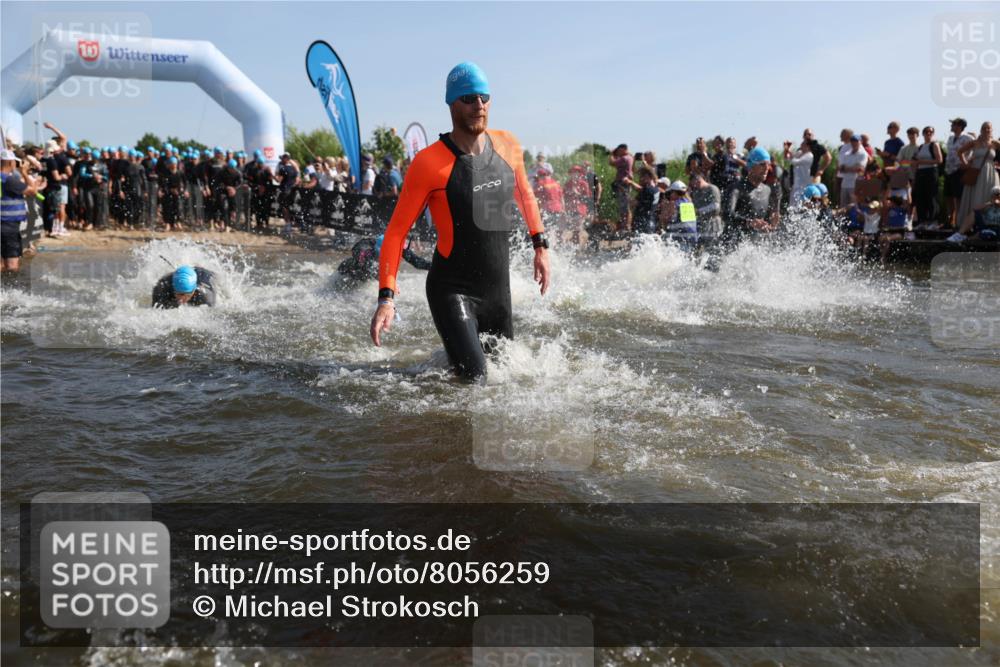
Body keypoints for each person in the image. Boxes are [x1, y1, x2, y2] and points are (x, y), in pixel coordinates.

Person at [370, 61, 550, 381]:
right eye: (468, 99)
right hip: (452, 290)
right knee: (475, 379)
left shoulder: (508, 145)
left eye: (484, 97)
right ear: (451, 104)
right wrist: (387, 297)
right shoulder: (428, 163)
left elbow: (525, 195)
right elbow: (396, 234)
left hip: (498, 293)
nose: (478, 106)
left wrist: (540, 245)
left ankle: (436, 368)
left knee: (505, 377)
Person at [951, 121, 1000, 243]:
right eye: (984, 128)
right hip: (976, 173)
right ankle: (969, 226)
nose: (986, 130)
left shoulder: (995, 144)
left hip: (991, 174)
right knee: (975, 198)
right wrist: (966, 164)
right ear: (981, 129)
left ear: (992, 130)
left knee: (989, 197)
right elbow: (960, 152)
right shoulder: (975, 142)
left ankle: (986, 225)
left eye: (989, 128)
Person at [721, 147, 778, 247]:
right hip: (731, 248)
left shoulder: (767, 190)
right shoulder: (736, 188)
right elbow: (727, 214)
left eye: (768, 164)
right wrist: (749, 222)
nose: (766, 168)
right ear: (751, 166)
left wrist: (772, 221)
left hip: (753, 248)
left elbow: (768, 219)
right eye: (762, 164)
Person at [1, 149, 45, 273]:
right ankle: (9, 291)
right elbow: (33, 191)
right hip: (8, 226)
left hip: (4, 224)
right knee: (12, 265)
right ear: (11, 163)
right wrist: (24, 172)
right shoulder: (9, 180)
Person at [338, 233, 431, 285]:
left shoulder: (399, 247)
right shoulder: (366, 246)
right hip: (346, 274)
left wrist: (437, 267)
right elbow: (366, 263)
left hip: (365, 278)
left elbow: (417, 262)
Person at [944, 118, 975, 229]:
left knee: (958, 197)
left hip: (959, 171)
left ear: (960, 126)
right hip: (948, 171)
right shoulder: (950, 138)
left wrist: (968, 163)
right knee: (948, 196)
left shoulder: (968, 137)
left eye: (954, 124)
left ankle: (959, 221)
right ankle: (949, 221)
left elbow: (977, 150)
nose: (951, 126)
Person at [912, 126, 942, 227]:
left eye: (930, 132)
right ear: (923, 134)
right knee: (920, 197)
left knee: (931, 196)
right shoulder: (920, 147)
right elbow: (915, 161)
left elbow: (939, 160)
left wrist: (922, 161)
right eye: (926, 132)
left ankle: (933, 220)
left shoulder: (934, 145)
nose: (928, 134)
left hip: (931, 172)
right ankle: (922, 220)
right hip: (920, 172)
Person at [151, 264, 216, 308]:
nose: (181, 299)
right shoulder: (162, 288)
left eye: (187, 295)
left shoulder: (205, 297)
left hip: (203, 274)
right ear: (174, 289)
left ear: (193, 290)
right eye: (179, 294)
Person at [661, 180, 698, 250]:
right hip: (690, 240)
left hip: (679, 241)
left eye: (671, 192)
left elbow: (664, 220)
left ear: (674, 192)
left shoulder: (674, 204)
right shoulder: (690, 204)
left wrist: (664, 207)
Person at [622, 168, 658, 235]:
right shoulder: (656, 189)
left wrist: (626, 195)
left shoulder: (646, 190)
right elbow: (640, 189)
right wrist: (631, 183)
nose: (640, 179)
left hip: (641, 224)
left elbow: (633, 203)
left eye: (642, 176)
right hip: (651, 222)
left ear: (647, 176)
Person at [879, 195, 913, 264]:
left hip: (899, 232)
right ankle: (883, 252)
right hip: (890, 230)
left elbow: (909, 205)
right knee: (881, 238)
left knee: (888, 239)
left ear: (894, 202)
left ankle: (883, 257)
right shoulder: (889, 209)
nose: (889, 203)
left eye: (890, 202)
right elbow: (883, 203)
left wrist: (908, 190)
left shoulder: (902, 210)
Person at [689, 172, 723, 242]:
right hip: (702, 226)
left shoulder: (712, 188)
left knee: (713, 248)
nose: (694, 186)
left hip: (714, 225)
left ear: (698, 180)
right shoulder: (696, 192)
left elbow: (716, 207)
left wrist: (698, 211)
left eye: (694, 184)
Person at [837, 134, 868, 206]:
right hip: (844, 184)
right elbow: (841, 168)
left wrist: (847, 168)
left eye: (856, 141)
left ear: (860, 142)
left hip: (855, 184)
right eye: (852, 141)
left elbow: (860, 169)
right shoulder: (846, 154)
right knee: (843, 205)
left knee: (853, 206)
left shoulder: (863, 154)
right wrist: (853, 168)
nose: (854, 143)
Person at [609, 143, 634, 232]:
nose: (618, 153)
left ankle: (625, 226)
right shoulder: (630, 157)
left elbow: (611, 163)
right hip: (625, 184)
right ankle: (625, 225)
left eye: (618, 150)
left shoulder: (624, 158)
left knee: (624, 206)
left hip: (622, 184)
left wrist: (611, 154)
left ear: (623, 149)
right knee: (625, 205)